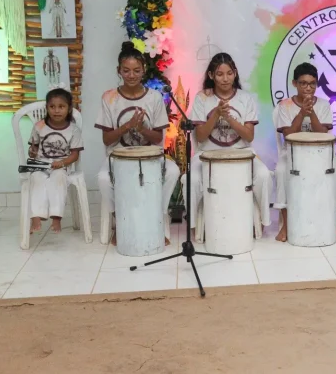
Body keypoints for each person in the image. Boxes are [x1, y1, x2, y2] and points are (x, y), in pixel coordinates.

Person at [95, 42, 180, 245]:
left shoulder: (154, 97)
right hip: (118, 157)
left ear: (143, 71)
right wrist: (127, 127)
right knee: (103, 179)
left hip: (150, 157)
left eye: (136, 71)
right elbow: (107, 139)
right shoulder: (109, 98)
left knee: (173, 171)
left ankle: (157, 219)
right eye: (126, 71)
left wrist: (141, 129)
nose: (131, 75)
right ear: (119, 71)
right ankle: (120, 221)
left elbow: (158, 139)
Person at [186, 53, 272, 234]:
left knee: (264, 175)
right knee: (190, 179)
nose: (225, 79)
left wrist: (228, 118)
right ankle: (193, 226)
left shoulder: (246, 98)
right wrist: (216, 114)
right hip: (206, 155)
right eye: (219, 74)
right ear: (211, 76)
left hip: (241, 153)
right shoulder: (202, 98)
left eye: (229, 73)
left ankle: (263, 222)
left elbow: (248, 137)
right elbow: (200, 137)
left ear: (235, 73)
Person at [274, 62, 336, 241]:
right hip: (292, 151)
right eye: (303, 83)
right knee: (281, 171)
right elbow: (289, 135)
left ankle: (334, 222)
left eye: (312, 84)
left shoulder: (322, 105)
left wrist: (311, 112)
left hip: (320, 152)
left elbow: (323, 133)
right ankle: (286, 223)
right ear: (294, 84)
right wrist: (301, 113)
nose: (308, 88)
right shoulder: (285, 105)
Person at [28, 88, 83, 234]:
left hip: (61, 167)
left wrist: (63, 162)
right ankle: (36, 216)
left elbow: (75, 154)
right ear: (47, 108)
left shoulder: (74, 130)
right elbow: (33, 151)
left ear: (69, 108)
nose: (56, 111)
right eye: (52, 107)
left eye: (61, 107)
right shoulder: (39, 126)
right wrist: (32, 152)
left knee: (58, 180)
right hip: (41, 166)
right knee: (36, 179)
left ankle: (56, 217)